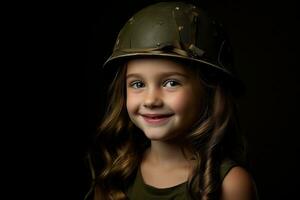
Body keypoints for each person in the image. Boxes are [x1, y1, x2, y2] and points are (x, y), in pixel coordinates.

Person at [85, 1, 258, 199]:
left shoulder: (231, 184)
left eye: (171, 83)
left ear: (208, 90)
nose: (150, 100)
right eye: (138, 84)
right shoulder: (115, 174)